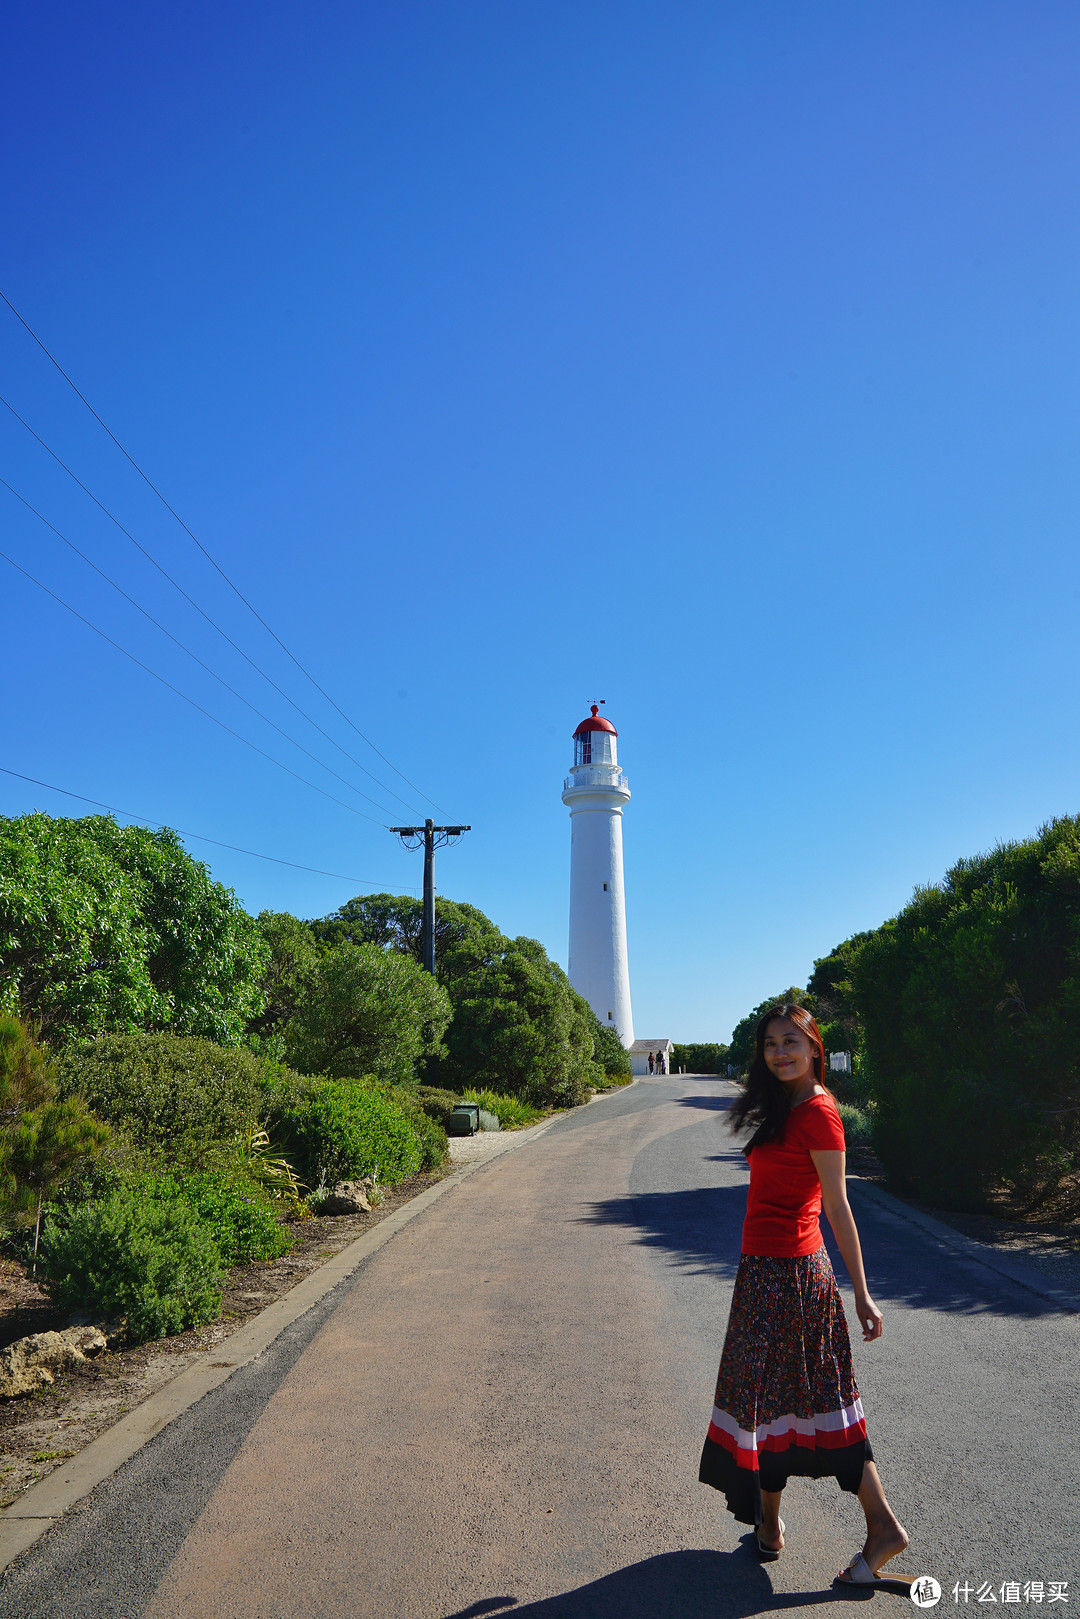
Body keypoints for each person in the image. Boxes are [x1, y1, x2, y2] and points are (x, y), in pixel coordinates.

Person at [698, 1003, 909, 1586]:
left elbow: (840, 1207)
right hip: (763, 1272)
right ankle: (768, 1526)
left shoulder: (818, 1112)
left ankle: (883, 1528)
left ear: (815, 1045)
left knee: (819, 1403)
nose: (780, 1051)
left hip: (791, 1278)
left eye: (791, 1041)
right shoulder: (784, 1106)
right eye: (770, 1043)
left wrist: (862, 1293)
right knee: (768, 1401)